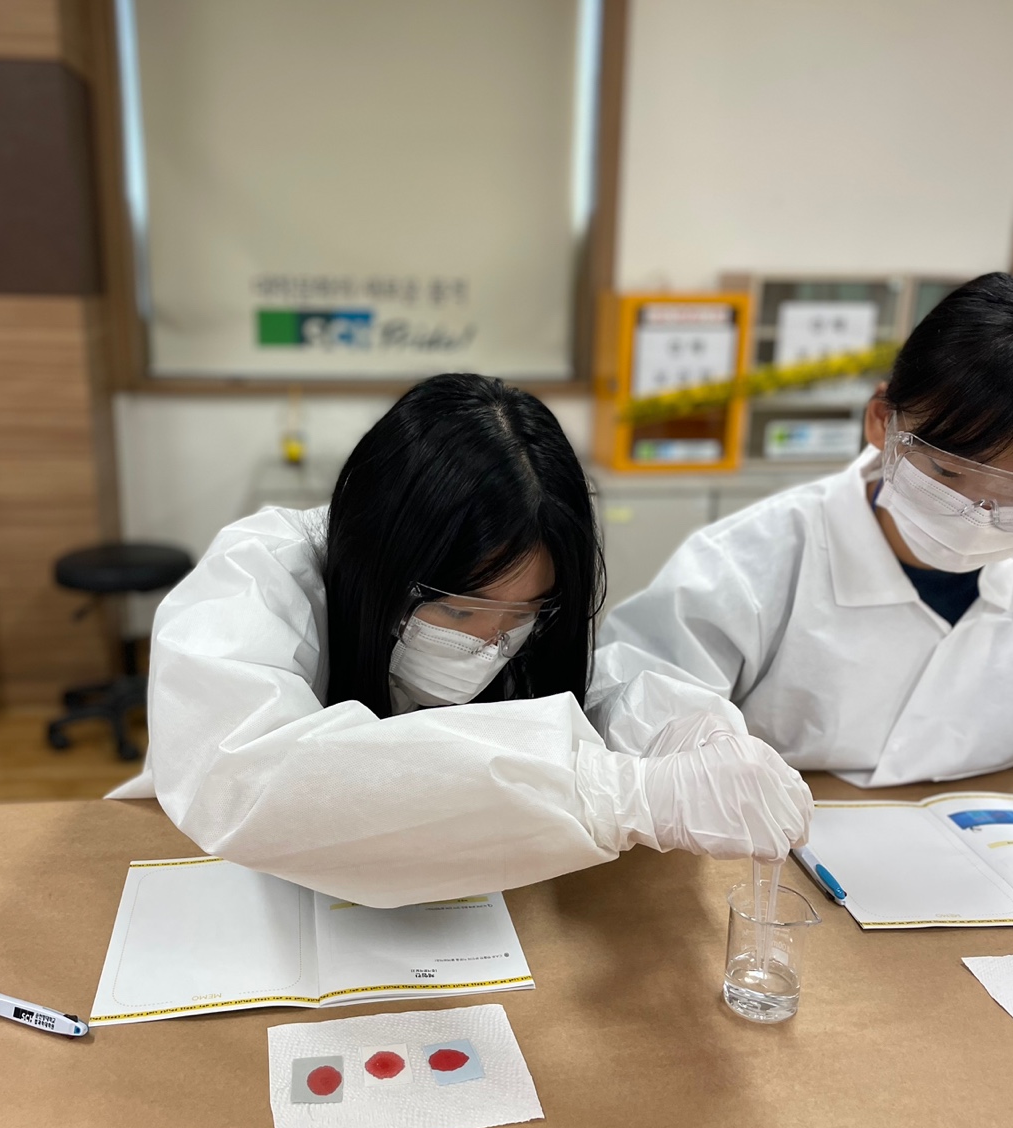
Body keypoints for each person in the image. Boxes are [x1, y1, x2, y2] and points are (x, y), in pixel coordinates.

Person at [110, 374, 810, 905]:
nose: (490, 645)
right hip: (243, 891)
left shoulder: (529, 625)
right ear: (386, 563)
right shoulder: (258, 574)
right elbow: (255, 784)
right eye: (459, 612)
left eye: (522, 614)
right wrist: (614, 794)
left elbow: (595, 694)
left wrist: (678, 735)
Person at [592, 272, 1013, 788]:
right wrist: (688, 756)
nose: (978, 512)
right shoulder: (745, 563)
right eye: (946, 473)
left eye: (1012, 495)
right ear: (881, 421)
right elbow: (630, 709)